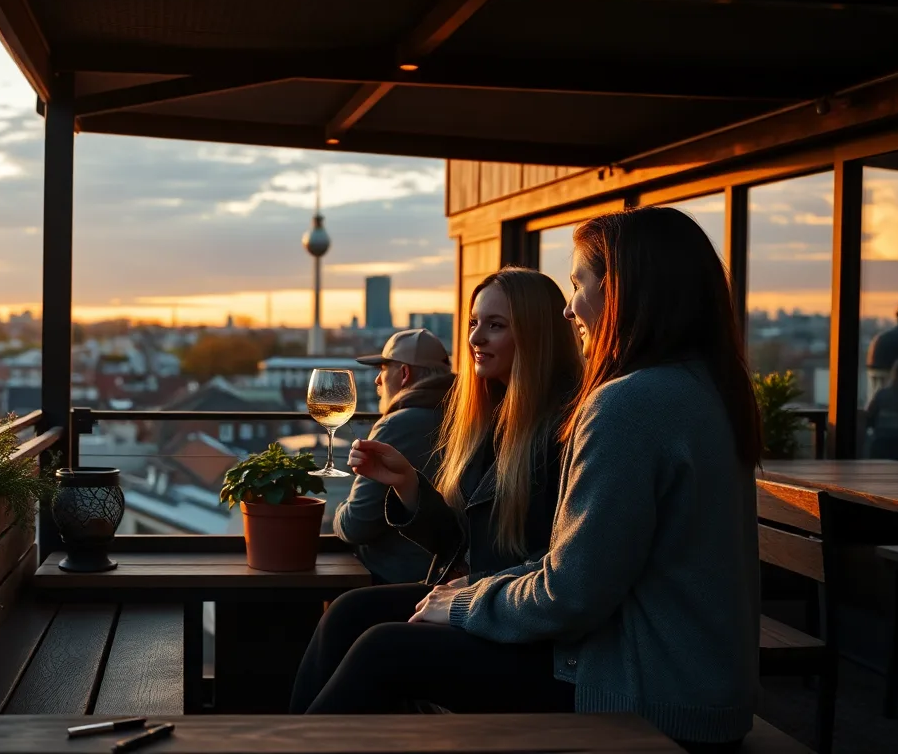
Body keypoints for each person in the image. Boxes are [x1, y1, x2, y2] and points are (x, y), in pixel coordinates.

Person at [298, 207, 763, 754]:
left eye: (579, 284)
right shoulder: (702, 391)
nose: (570, 308)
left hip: (639, 691)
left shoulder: (628, 405)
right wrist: (419, 505)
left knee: (384, 650)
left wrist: (468, 601)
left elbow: (570, 590)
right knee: (363, 621)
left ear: (623, 290)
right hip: (691, 686)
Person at [291, 266, 582, 712]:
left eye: (496, 325)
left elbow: (553, 568)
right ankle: (293, 742)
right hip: (478, 599)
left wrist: (463, 598)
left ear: (537, 335)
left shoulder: (563, 430)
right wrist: (408, 485)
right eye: (473, 323)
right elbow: (465, 543)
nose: (476, 338)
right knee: (347, 613)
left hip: (526, 632)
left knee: (382, 648)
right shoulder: (496, 417)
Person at [334, 328, 456, 585]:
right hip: (449, 576)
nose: (377, 381)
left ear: (404, 374)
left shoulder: (398, 425)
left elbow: (356, 525)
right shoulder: (463, 415)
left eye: (383, 369)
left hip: (399, 579)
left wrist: (337, 513)